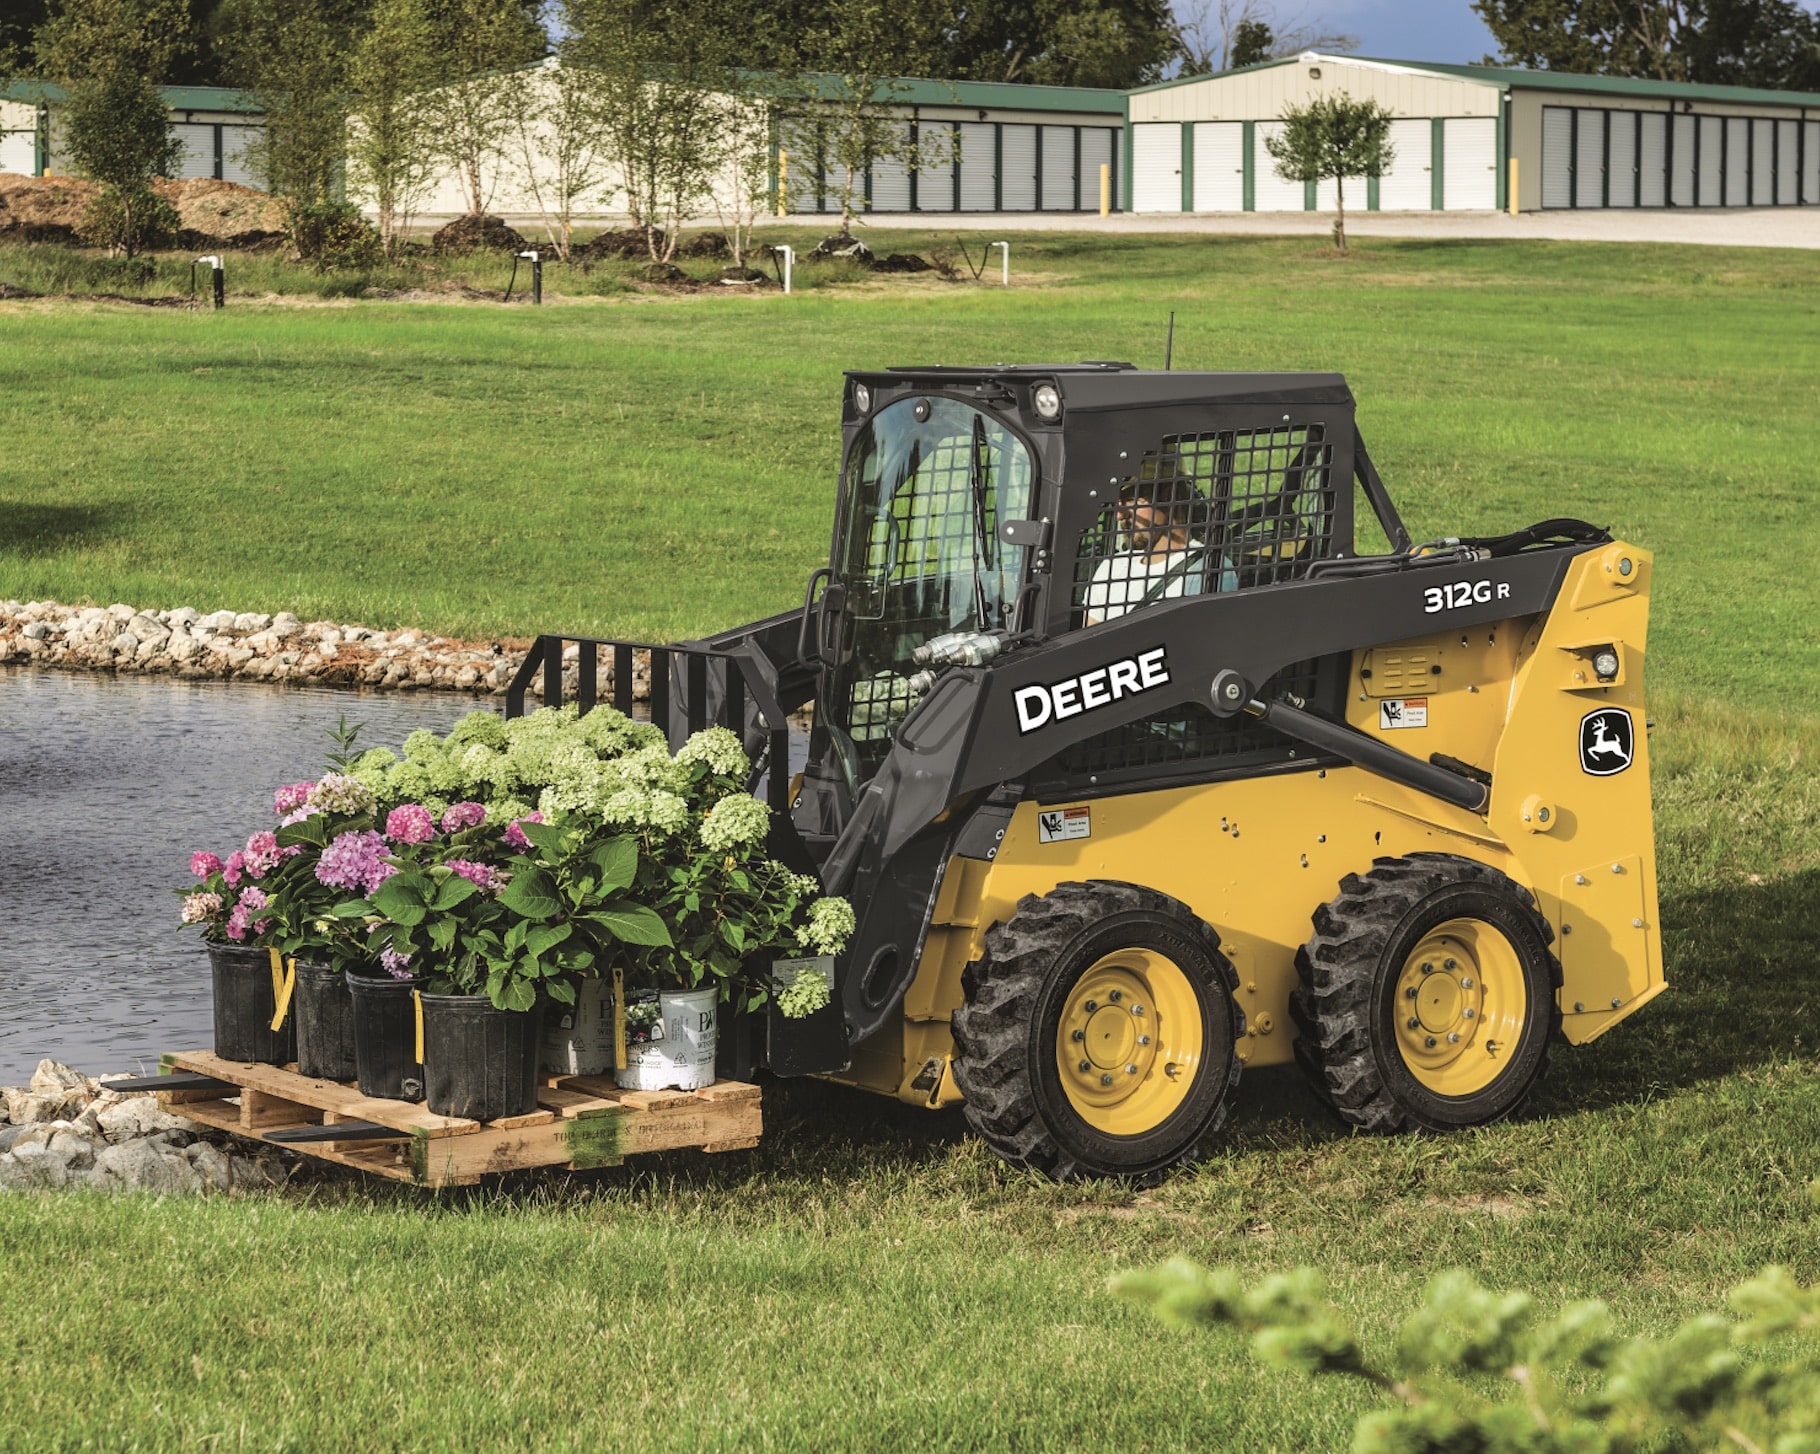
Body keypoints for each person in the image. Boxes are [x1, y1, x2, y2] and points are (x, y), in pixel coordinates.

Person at [1082, 475, 1226, 626]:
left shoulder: (1209, 569)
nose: (1120, 515)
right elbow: (1088, 644)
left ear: (1169, 496)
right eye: (1117, 503)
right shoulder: (1112, 567)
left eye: (1131, 498)